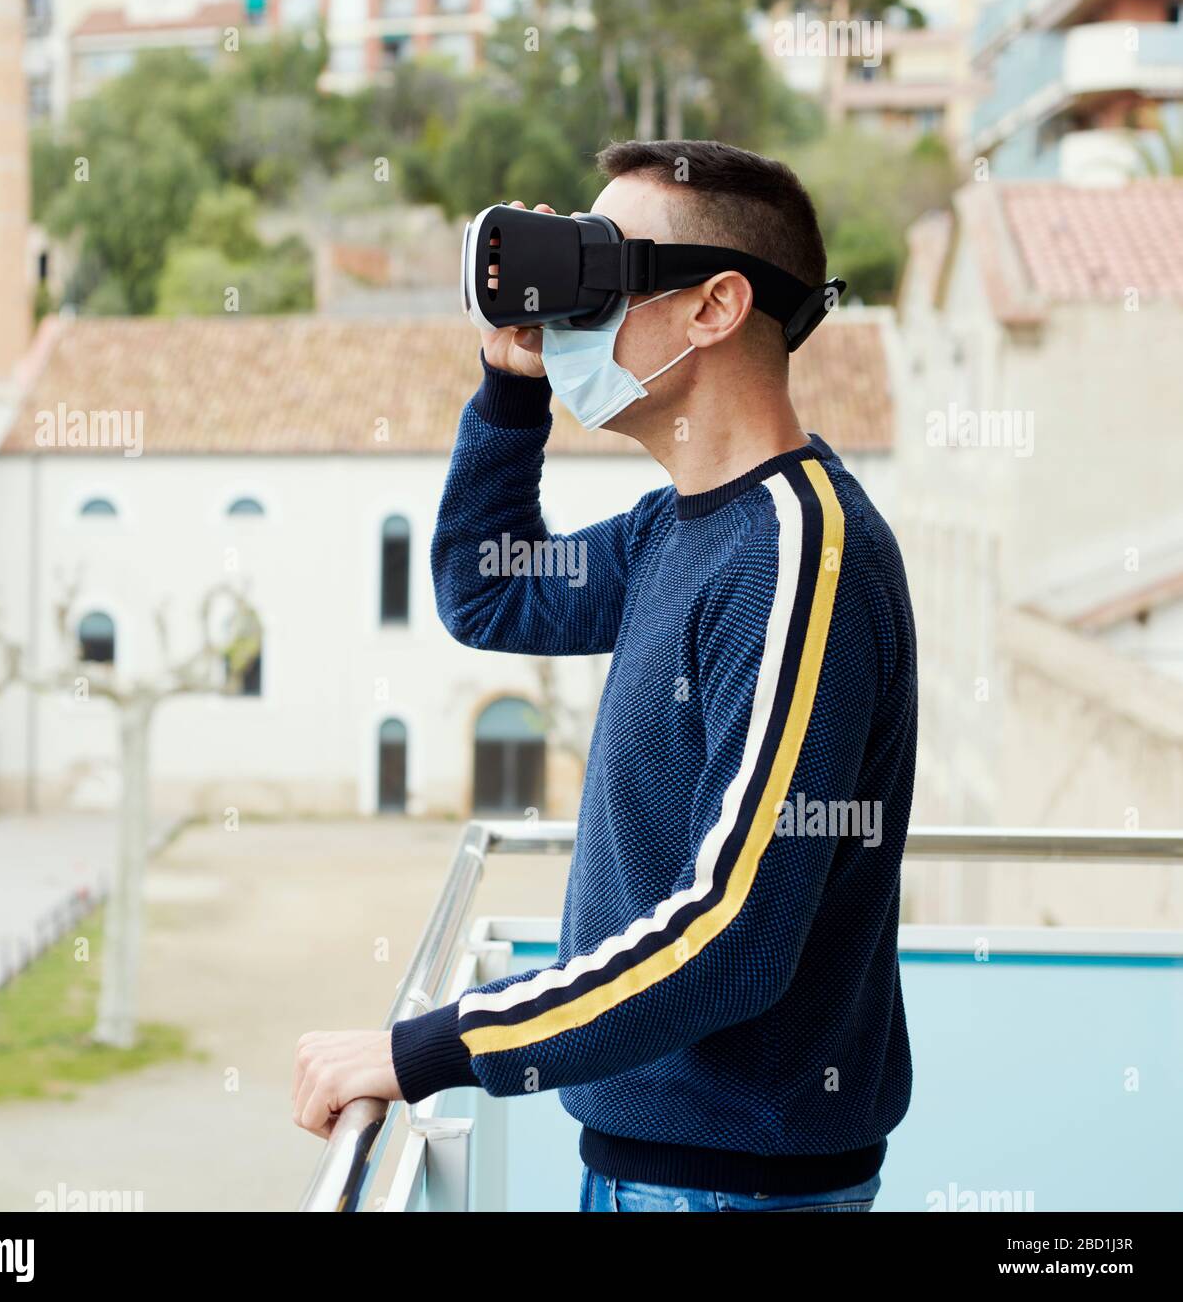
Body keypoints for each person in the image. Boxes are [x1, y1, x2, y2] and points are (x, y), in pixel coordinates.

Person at [292, 139, 917, 1214]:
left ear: (715, 307)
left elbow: (731, 940)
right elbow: (487, 593)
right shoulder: (678, 530)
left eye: (603, 273)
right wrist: (511, 383)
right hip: (656, 1166)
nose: (575, 315)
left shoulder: (798, 555)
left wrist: (429, 1049)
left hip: (733, 1189)